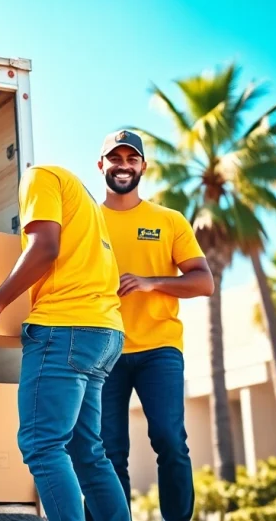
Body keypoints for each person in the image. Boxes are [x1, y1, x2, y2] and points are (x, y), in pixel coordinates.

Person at [0, 163, 129, 521]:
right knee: (88, 453)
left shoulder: (39, 177)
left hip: (65, 329)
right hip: (103, 331)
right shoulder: (84, 201)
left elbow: (45, 247)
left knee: (42, 445)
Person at [87, 130, 213, 521]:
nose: (123, 166)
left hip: (159, 349)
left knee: (170, 440)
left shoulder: (168, 220)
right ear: (101, 165)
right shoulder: (86, 222)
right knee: (106, 452)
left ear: (143, 167)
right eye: (115, 158)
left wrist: (151, 282)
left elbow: (203, 281)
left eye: (131, 159)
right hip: (102, 351)